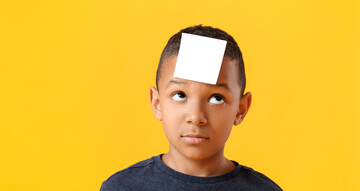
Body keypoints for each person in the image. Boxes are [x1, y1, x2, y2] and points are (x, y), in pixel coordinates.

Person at [100, 25, 282, 191]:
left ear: (241, 109)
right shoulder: (122, 187)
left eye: (216, 98)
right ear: (157, 103)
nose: (196, 117)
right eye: (180, 95)